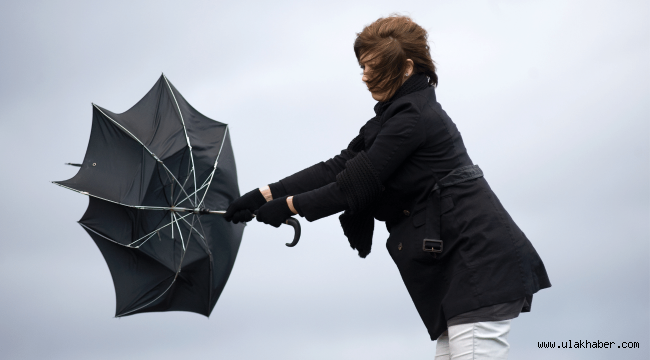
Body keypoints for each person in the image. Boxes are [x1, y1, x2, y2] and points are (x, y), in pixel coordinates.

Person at [224, 14, 550, 359]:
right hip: (461, 273)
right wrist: (265, 194)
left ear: (406, 67)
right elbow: (338, 167)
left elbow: (352, 186)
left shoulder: (413, 119)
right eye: (362, 67)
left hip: (478, 267)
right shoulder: (394, 117)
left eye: (373, 67)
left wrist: (289, 206)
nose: (364, 77)